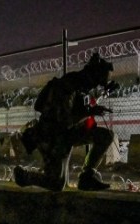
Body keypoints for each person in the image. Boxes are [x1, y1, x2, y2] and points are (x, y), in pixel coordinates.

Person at [14, 53, 117, 191]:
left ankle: (86, 177)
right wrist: (90, 113)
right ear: (91, 76)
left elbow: (87, 101)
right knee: (56, 183)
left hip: (68, 134)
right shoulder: (66, 87)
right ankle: (24, 176)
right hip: (52, 137)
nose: (95, 86)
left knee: (105, 136)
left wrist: (105, 93)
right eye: (97, 82)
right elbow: (64, 122)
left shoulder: (81, 86)